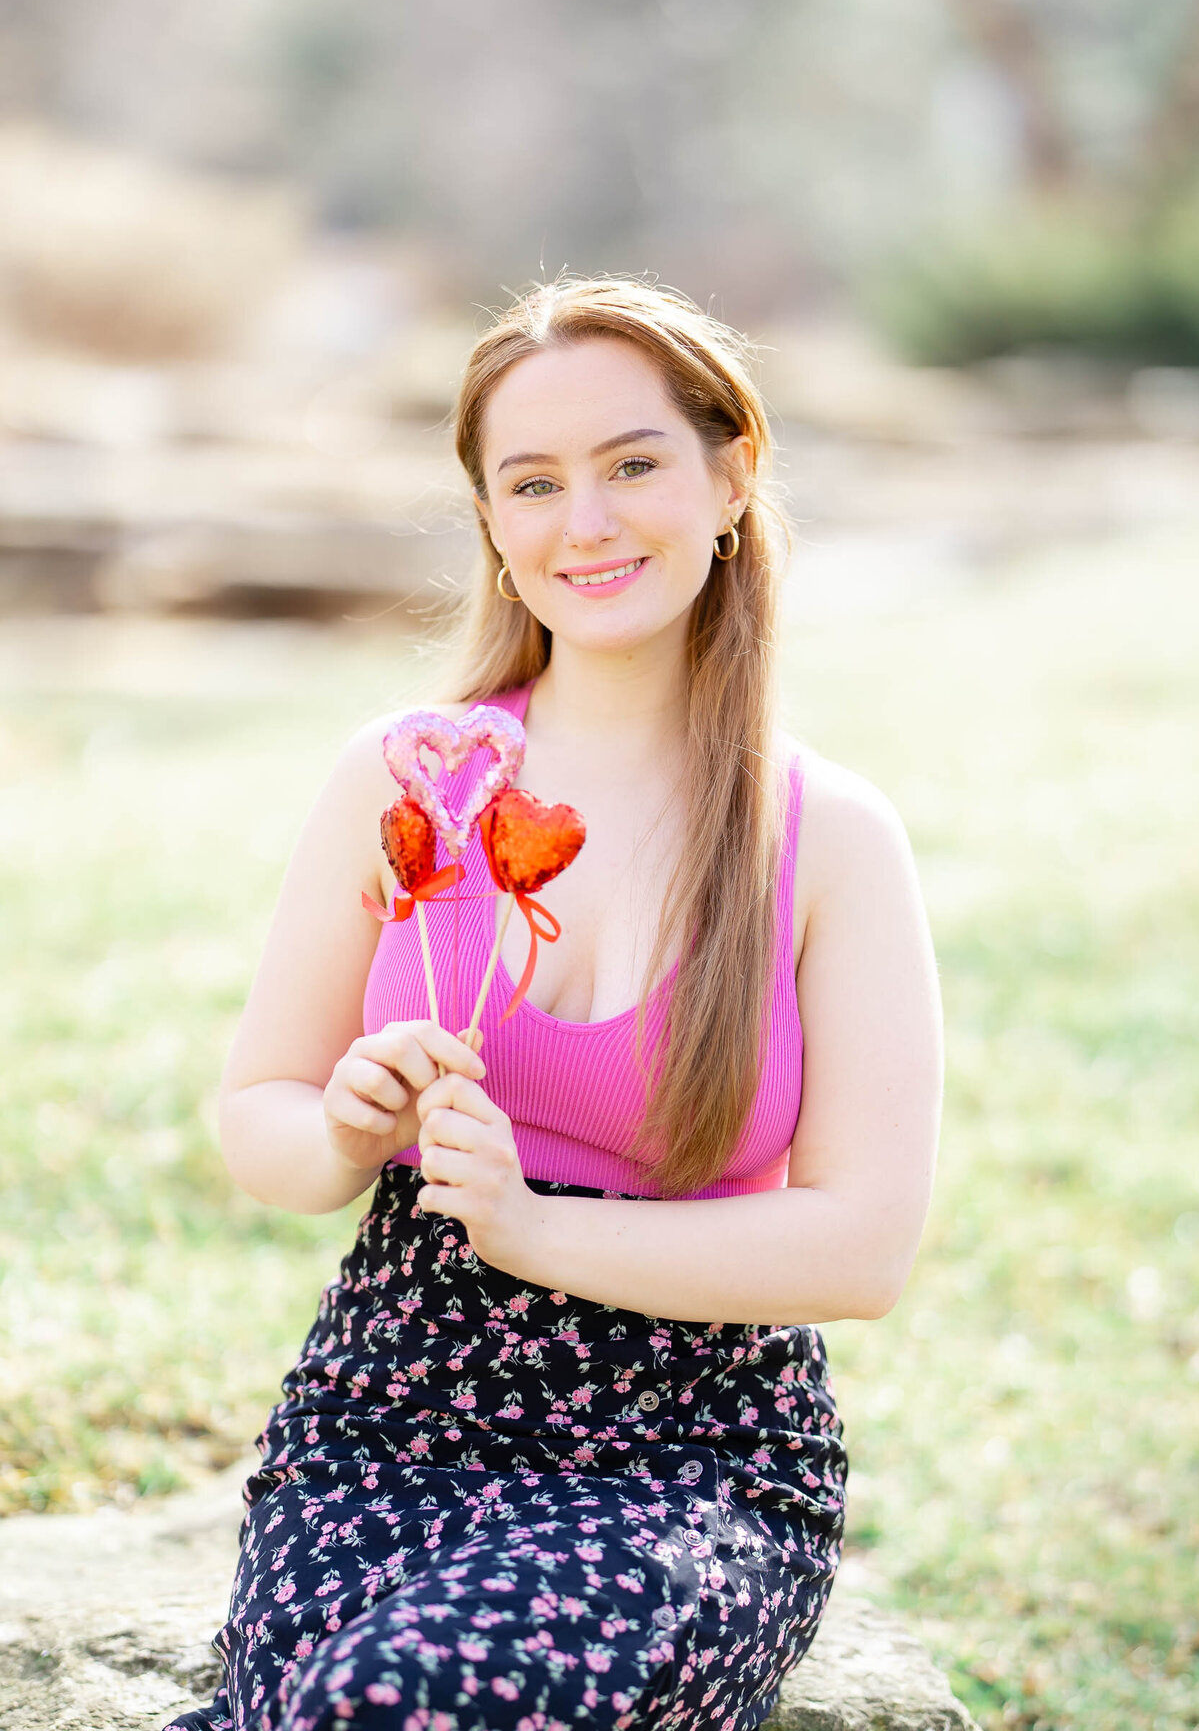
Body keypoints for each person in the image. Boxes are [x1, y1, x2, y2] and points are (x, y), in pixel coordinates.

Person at [166, 274, 942, 1731]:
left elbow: (862, 1248)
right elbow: (259, 1122)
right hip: (387, 1407)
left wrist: (530, 1230)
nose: (585, 523)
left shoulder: (827, 838)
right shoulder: (406, 780)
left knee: (388, 1704)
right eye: (534, 483)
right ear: (494, 528)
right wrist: (342, 1125)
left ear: (731, 477)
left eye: (633, 464)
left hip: (691, 1450)